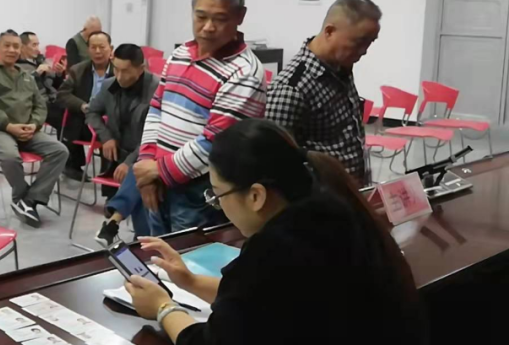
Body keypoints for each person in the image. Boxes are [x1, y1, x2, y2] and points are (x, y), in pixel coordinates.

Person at [123, 119, 428, 345]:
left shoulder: (277, 251)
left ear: (256, 196)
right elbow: (257, 302)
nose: (218, 205)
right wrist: (188, 281)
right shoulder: (332, 211)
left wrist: (162, 307)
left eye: (217, 195)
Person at [129, 0, 266, 236]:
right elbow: (156, 109)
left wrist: (158, 171)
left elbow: (215, 142)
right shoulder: (180, 54)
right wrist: (148, 166)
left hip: (199, 192)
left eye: (220, 19)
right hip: (158, 180)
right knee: (158, 253)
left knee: (190, 257)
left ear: (240, 16)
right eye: (201, 16)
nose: (208, 27)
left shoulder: (245, 72)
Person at [266, 0, 381, 183]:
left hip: (350, 189)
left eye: (370, 42)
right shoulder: (291, 88)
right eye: (359, 42)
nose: (364, 50)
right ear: (329, 31)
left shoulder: (341, 68)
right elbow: (275, 161)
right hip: (321, 194)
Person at [0, 30, 69, 227]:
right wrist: (9, 126)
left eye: (16, 46)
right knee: (10, 156)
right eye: (7, 45)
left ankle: (30, 200)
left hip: (27, 130)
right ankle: (22, 196)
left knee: (60, 151)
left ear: (20, 49)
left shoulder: (26, 77)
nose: (12, 50)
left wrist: (34, 124)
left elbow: (40, 105)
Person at [88, 44, 157, 246]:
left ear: (141, 68)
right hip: (116, 156)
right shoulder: (110, 85)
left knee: (140, 174)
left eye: (125, 71)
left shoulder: (156, 89)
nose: (118, 76)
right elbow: (91, 112)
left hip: (147, 153)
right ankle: (141, 240)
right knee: (141, 180)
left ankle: (114, 221)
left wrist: (129, 162)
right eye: (115, 69)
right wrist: (106, 137)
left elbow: (153, 135)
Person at [56, 31, 114, 179]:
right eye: (93, 47)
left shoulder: (119, 71)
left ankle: (108, 176)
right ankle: (73, 165)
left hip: (111, 122)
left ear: (111, 49)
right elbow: (62, 94)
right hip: (85, 121)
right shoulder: (78, 70)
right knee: (63, 117)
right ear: (88, 50)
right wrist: (82, 105)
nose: (98, 51)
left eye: (102, 47)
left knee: (115, 132)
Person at [16, 31, 66, 102]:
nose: (38, 49)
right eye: (34, 45)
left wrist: (59, 74)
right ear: (22, 47)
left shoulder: (42, 61)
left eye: (38, 45)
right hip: (38, 104)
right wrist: (37, 73)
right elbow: (22, 88)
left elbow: (56, 86)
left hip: (55, 100)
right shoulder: (16, 67)